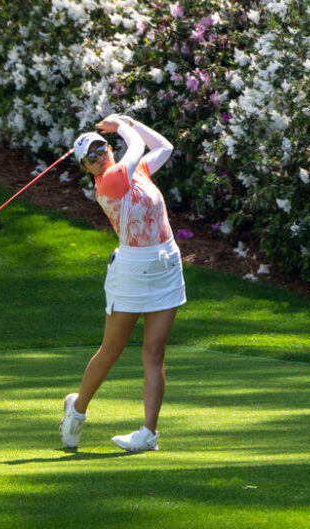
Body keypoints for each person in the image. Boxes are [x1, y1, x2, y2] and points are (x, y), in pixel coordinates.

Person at [59, 114, 185, 452]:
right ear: (86, 168)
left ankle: (148, 433)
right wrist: (123, 127)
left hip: (166, 265)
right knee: (112, 349)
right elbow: (138, 145)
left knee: (154, 352)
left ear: (109, 148)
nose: (99, 156)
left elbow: (164, 147)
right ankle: (77, 410)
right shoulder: (110, 181)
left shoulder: (136, 171)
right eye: (90, 157)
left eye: (101, 148)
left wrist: (129, 121)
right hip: (132, 270)